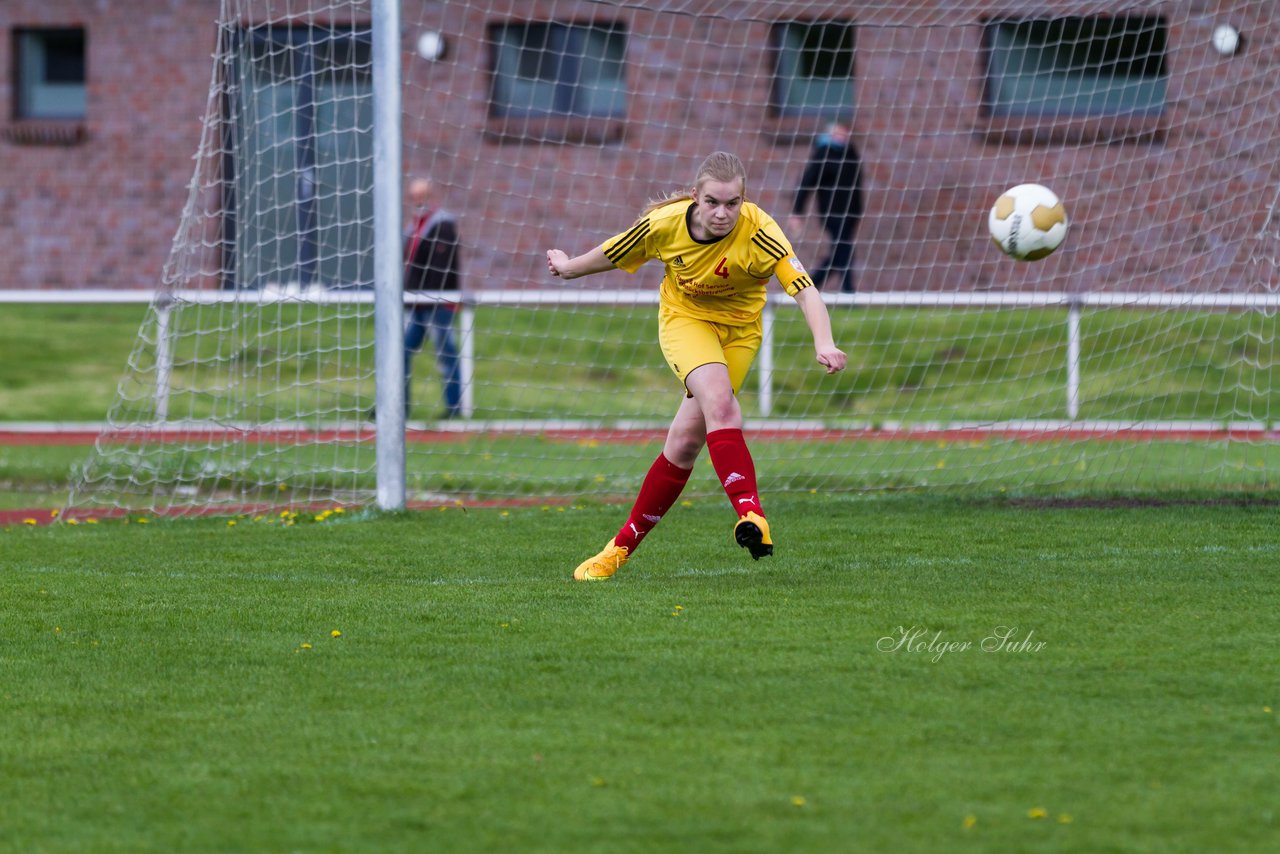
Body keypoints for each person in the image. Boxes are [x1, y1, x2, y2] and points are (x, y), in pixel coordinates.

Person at [547, 151, 847, 581]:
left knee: (686, 441)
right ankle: (752, 516)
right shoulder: (664, 224)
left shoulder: (761, 231)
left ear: (744, 200)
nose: (723, 213)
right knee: (721, 405)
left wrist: (825, 341)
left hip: (740, 334)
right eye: (712, 202)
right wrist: (568, 268)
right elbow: (615, 251)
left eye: (732, 203)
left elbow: (804, 289)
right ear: (695, 197)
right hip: (686, 322)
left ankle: (618, 549)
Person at [400, 176, 463, 419]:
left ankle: (455, 408)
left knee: (446, 355)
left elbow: (441, 269)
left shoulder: (442, 225)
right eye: (414, 197)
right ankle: (397, 406)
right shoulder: (413, 227)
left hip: (437, 304)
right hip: (416, 304)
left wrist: (436, 297)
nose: (418, 202)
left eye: (422, 197)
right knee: (400, 353)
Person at [788, 119, 863, 293]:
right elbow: (806, 183)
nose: (845, 135)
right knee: (843, 249)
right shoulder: (824, 154)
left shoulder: (850, 152)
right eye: (840, 132)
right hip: (833, 212)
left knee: (841, 251)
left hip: (850, 212)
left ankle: (810, 285)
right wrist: (797, 212)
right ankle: (847, 291)